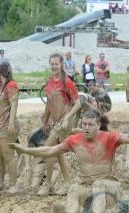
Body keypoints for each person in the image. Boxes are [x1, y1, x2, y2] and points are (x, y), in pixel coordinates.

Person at [8, 109, 129, 213]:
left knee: (99, 185)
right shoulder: (74, 140)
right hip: (88, 189)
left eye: (90, 124)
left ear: (98, 125)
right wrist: (24, 150)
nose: (86, 127)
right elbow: (49, 150)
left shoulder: (109, 137)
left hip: (111, 189)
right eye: (84, 124)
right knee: (73, 188)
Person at [39, 53, 85, 197]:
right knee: (59, 154)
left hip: (64, 122)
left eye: (56, 64)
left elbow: (78, 103)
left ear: (62, 65)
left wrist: (67, 119)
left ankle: (48, 185)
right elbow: (49, 104)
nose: (54, 66)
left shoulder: (67, 82)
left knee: (48, 150)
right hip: (55, 122)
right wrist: (45, 121)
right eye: (52, 64)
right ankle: (68, 185)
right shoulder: (50, 81)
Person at [0, 62, 20, 193]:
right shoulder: (3, 86)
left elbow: (14, 104)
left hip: (6, 126)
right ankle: (0, 182)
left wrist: (12, 123)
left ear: (1, 72)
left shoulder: (11, 85)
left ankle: (13, 184)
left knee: (8, 155)